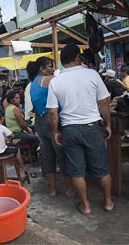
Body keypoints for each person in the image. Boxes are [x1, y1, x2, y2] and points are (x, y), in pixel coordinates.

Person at [47, 44, 114, 214]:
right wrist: (107, 124)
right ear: (78, 57)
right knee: (101, 168)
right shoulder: (92, 74)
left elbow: (53, 113)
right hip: (93, 127)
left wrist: (55, 132)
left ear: (62, 61)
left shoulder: (55, 81)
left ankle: (86, 205)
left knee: (77, 171)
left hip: (70, 130)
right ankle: (108, 202)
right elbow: (104, 102)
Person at [29, 56, 75, 198]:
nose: (53, 68)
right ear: (42, 68)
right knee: (62, 155)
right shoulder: (50, 80)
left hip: (39, 121)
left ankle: (52, 190)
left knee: (48, 156)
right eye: (50, 66)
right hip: (52, 120)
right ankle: (68, 189)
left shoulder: (33, 82)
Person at [5, 90, 40, 159]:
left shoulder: (8, 108)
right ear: (12, 100)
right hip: (16, 133)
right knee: (36, 138)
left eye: (19, 98)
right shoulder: (15, 109)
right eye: (17, 98)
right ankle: (29, 155)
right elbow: (22, 124)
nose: (19, 99)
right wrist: (29, 131)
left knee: (30, 137)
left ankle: (26, 153)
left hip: (10, 132)